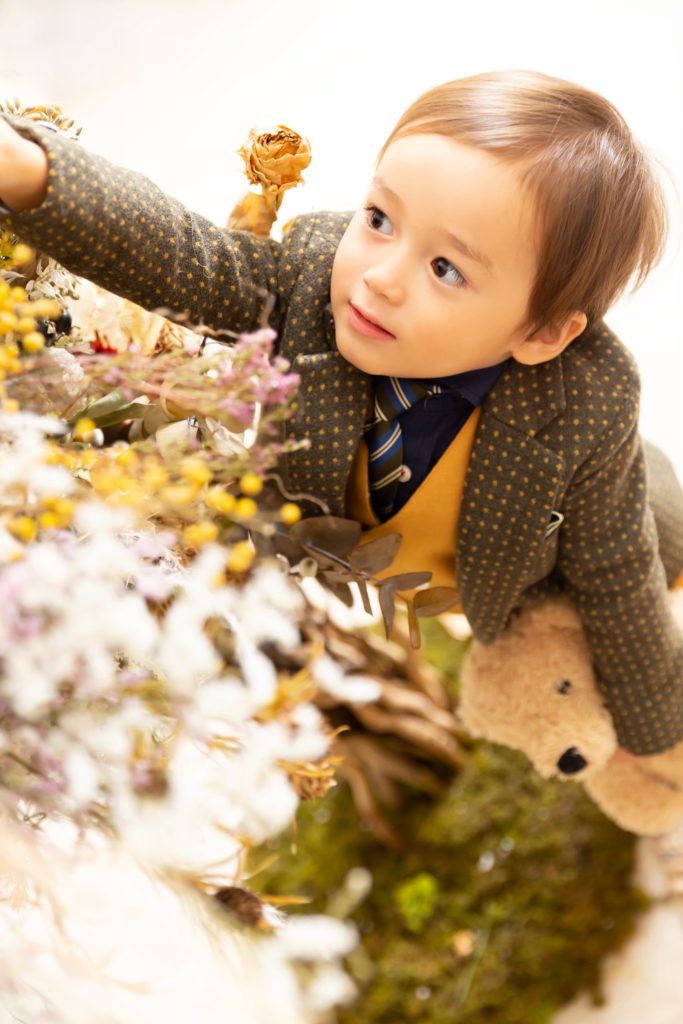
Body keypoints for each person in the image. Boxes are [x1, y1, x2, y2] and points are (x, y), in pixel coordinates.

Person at [1, 69, 683, 762]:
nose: (380, 277)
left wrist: (656, 734)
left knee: (625, 627)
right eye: (380, 219)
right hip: (410, 581)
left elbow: (617, 571)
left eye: (445, 269)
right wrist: (29, 171)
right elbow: (184, 254)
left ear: (541, 333)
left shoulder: (586, 404)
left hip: (577, 550)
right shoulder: (313, 281)